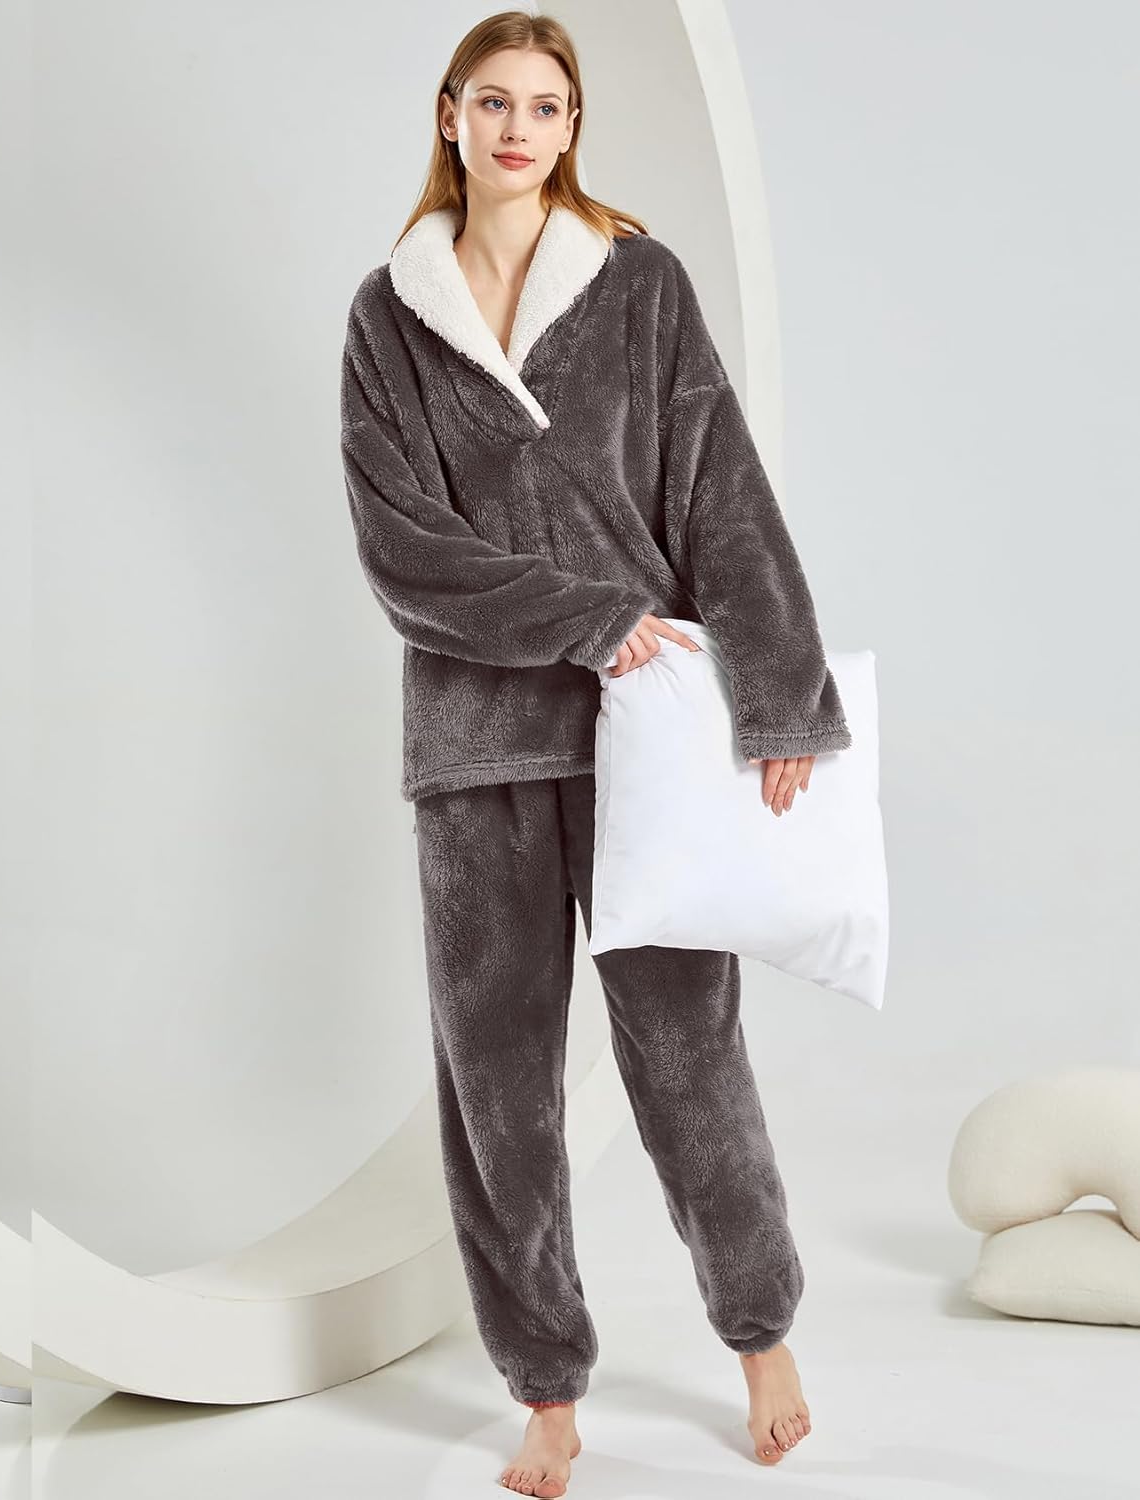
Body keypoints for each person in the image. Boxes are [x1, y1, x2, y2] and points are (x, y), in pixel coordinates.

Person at [339, 11, 851, 1496]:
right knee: (498, 1088)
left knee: (688, 1060)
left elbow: (719, 493)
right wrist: (587, 614)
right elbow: (400, 551)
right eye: (493, 102)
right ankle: (547, 1388)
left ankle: (761, 1334)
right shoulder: (390, 313)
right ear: (449, 114)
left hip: (648, 740)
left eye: (546, 107)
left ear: (572, 127)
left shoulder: (638, 284)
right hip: (476, 749)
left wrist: (780, 699)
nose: (518, 130)